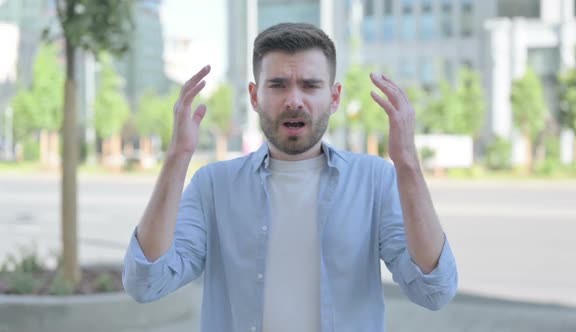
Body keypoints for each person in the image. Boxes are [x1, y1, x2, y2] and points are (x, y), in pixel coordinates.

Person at [123, 22, 457, 332]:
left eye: (310, 85)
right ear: (255, 97)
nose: (294, 100)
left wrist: (408, 163)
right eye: (278, 85)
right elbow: (147, 283)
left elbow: (434, 291)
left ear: (335, 96)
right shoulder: (213, 185)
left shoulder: (375, 180)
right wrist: (177, 158)